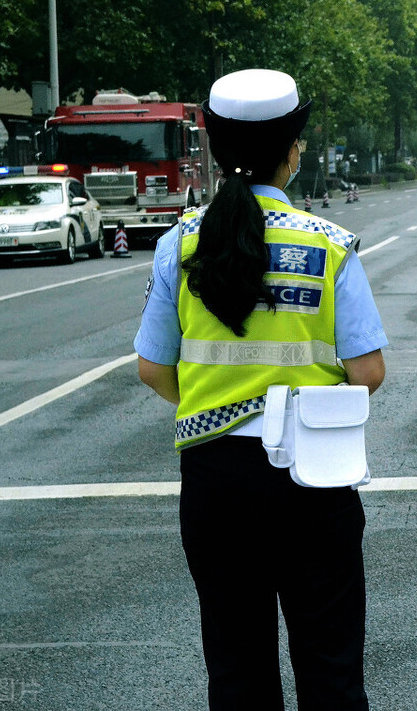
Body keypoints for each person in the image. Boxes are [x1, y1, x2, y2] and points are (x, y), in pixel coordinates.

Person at [134, 69, 387, 711]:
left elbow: (154, 368)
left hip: (214, 480)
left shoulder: (179, 244)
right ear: (293, 151)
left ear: (217, 150)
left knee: (237, 666)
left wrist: (222, 401)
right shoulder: (329, 247)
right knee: (331, 667)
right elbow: (368, 373)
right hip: (313, 478)